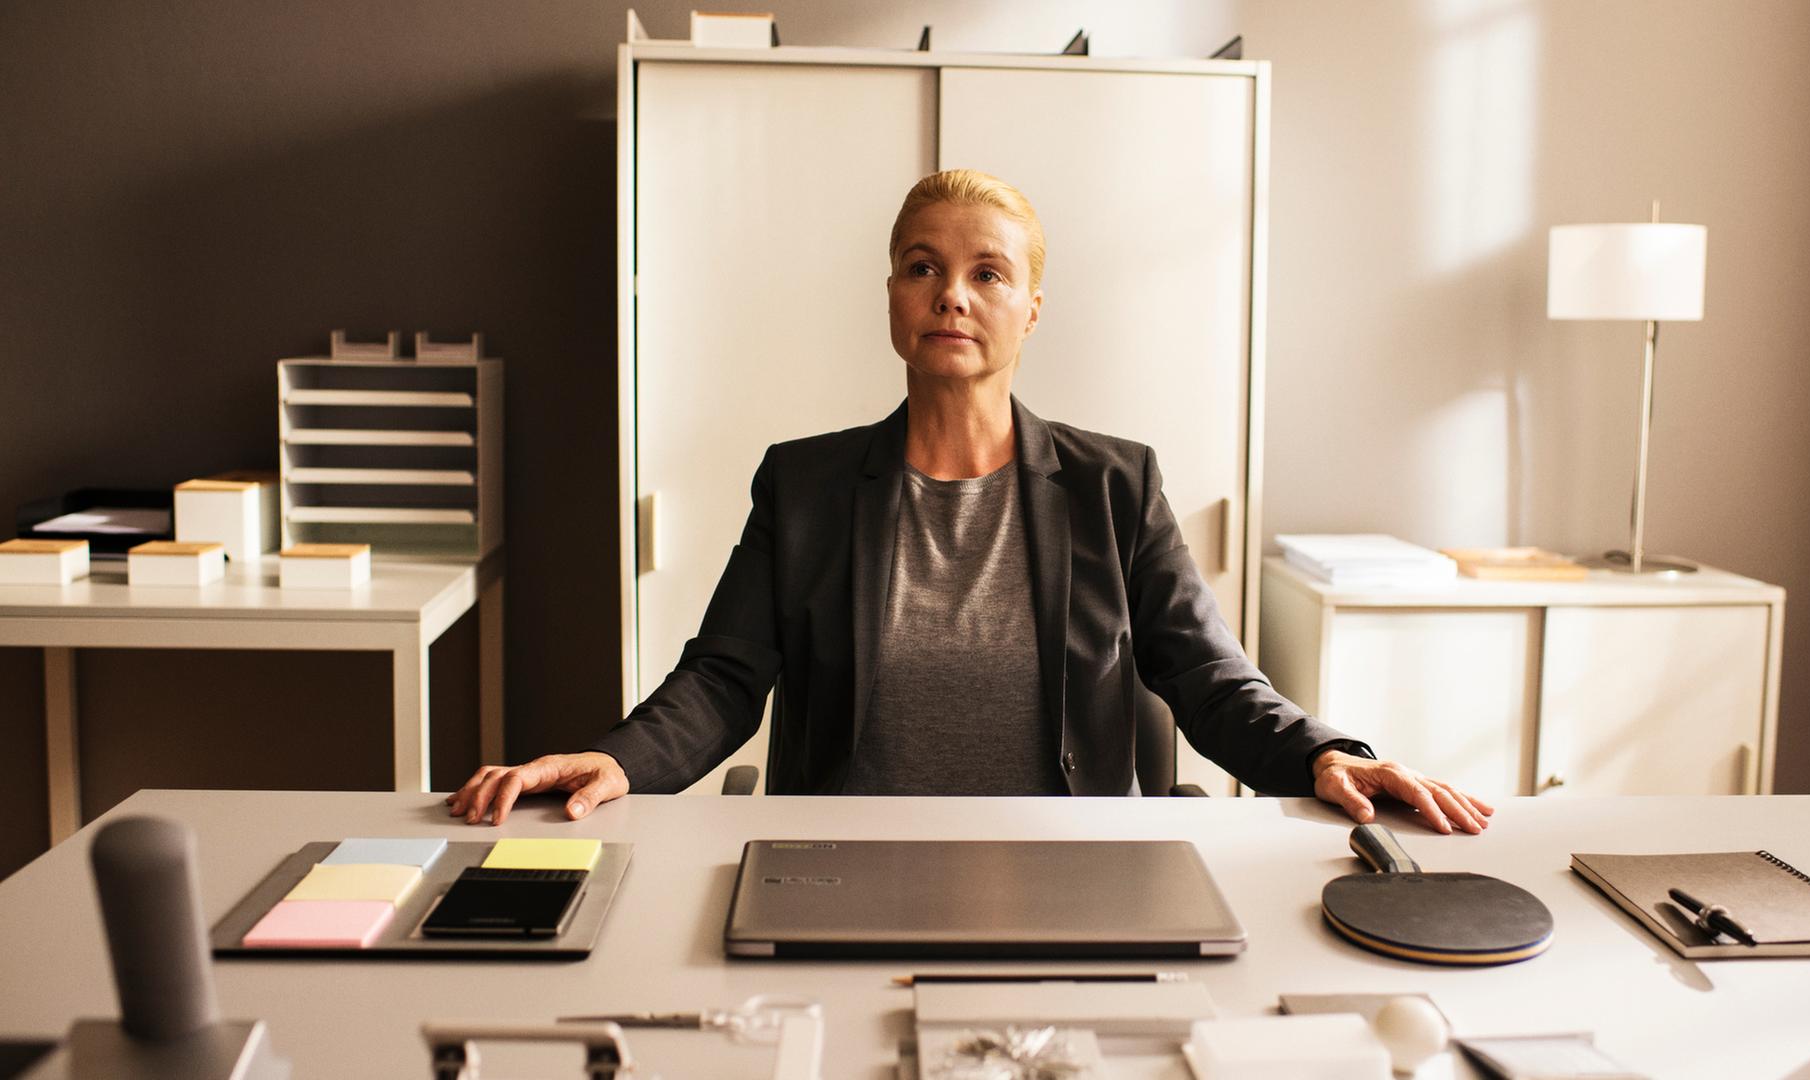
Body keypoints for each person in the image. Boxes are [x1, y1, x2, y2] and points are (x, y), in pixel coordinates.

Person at [450, 169, 1494, 836]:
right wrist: (619, 758)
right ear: (895, 302)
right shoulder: (805, 485)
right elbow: (724, 680)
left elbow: (1210, 679)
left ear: (1031, 307)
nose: (952, 292)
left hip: (1073, 864)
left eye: (987, 272)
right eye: (923, 267)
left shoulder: (1113, 486)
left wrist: (1329, 755)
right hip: (839, 864)